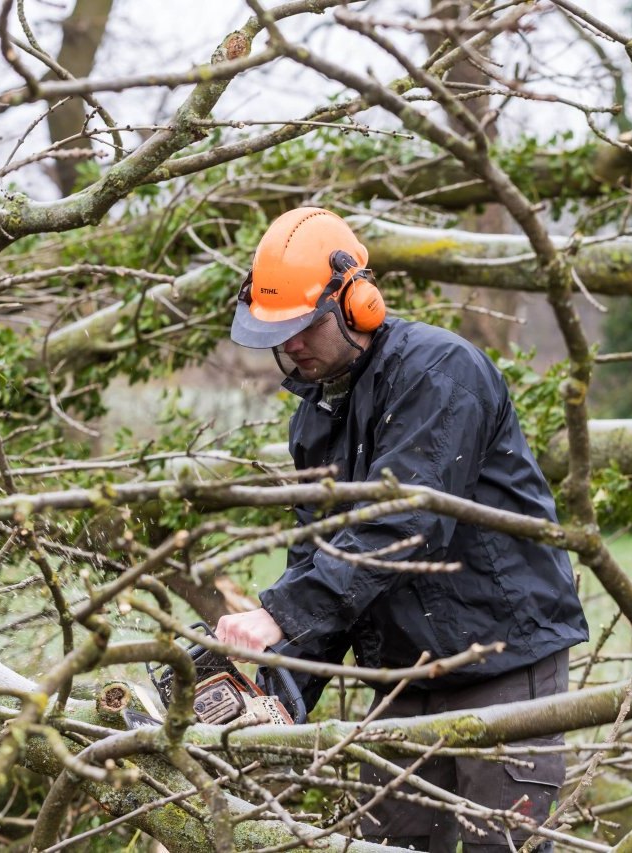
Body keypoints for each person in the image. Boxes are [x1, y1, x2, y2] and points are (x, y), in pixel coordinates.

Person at [216, 207, 588, 852]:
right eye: (278, 332)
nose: (292, 344)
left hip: (499, 656)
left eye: (303, 326)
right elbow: (321, 556)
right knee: (388, 845)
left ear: (356, 302)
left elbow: (403, 523)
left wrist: (278, 614)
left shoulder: (440, 375)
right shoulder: (315, 417)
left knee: (498, 843)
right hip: (402, 674)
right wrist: (270, 685)